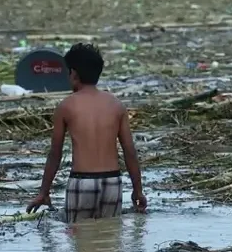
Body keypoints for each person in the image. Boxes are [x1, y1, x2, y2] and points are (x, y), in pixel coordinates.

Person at [27, 43, 147, 222]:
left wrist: (43, 192)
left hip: (81, 182)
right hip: (112, 182)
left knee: (79, 235)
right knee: (109, 235)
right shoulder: (116, 105)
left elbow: (55, 154)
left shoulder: (66, 106)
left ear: (74, 74)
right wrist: (138, 191)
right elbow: (129, 151)